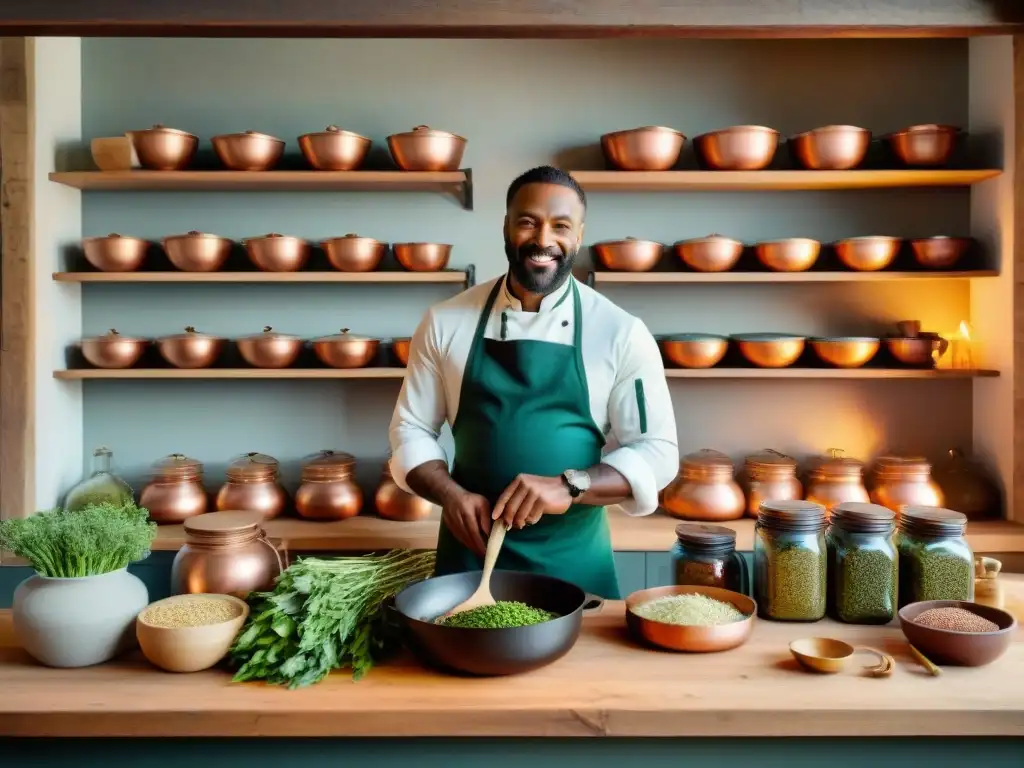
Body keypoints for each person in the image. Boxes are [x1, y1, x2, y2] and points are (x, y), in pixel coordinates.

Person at [387, 165, 679, 598]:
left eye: (560, 226)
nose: (543, 240)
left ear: (578, 235)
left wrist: (569, 485)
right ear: (506, 226)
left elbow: (657, 453)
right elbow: (411, 429)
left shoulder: (619, 331)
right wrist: (451, 496)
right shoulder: (445, 321)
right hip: (470, 555)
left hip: (574, 561)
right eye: (528, 222)